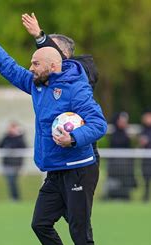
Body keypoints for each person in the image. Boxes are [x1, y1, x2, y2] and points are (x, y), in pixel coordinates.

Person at [0, 17, 107, 245]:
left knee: (79, 231)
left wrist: (73, 138)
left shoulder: (76, 87)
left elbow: (99, 125)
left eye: (35, 63)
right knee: (40, 224)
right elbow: (10, 68)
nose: (30, 67)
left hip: (78, 169)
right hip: (54, 170)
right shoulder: (38, 84)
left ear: (54, 64)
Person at [21, 13, 101, 166]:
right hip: (58, 161)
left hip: (82, 159)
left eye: (50, 49)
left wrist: (40, 37)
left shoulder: (83, 69)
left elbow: (98, 125)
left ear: (61, 55)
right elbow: (12, 70)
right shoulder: (46, 81)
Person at [104, 112, 136, 200]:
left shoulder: (129, 133)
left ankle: (125, 196)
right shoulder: (114, 133)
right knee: (114, 181)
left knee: (125, 181)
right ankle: (112, 196)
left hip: (126, 165)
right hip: (114, 164)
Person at [0, 121, 27, 201]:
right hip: (7, 162)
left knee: (13, 181)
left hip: (16, 163)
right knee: (10, 181)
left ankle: (16, 197)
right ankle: (13, 197)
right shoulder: (6, 137)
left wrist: (17, 135)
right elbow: (0, 145)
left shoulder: (20, 138)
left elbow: (23, 146)